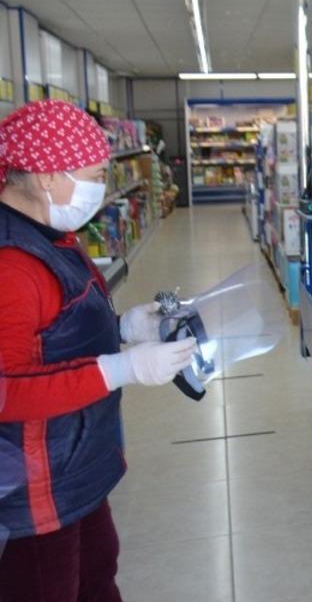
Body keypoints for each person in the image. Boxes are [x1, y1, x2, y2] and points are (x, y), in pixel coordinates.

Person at [0, 100, 197, 600]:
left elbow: (56, 332)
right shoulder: (11, 265)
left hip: (76, 465)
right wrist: (118, 369)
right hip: (36, 492)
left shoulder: (51, 234)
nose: (101, 186)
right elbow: (7, 390)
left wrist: (122, 327)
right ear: (47, 177)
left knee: (97, 574)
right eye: (95, 174)